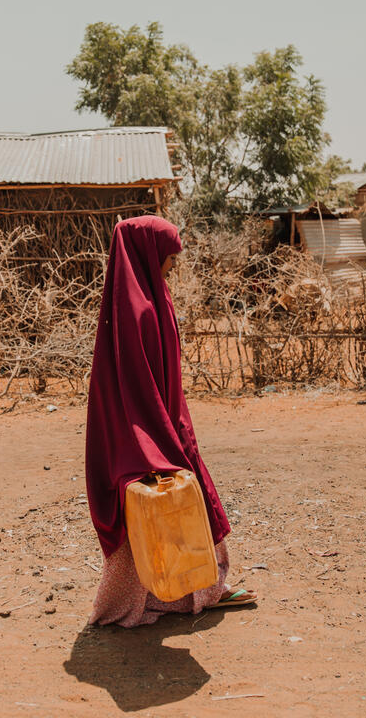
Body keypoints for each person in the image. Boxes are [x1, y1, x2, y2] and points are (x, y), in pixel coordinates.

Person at [85, 215, 256, 628]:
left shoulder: (150, 298)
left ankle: (187, 594)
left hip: (161, 421)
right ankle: (132, 603)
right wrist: (157, 438)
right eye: (168, 259)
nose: (172, 267)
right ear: (147, 254)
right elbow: (134, 383)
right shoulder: (134, 309)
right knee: (156, 507)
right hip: (142, 430)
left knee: (174, 505)